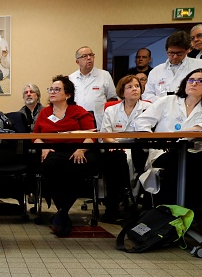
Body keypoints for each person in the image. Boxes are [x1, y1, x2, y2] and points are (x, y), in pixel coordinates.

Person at [136, 68, 202, 210]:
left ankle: (201, 213)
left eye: (200, 81)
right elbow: (141, 121)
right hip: (165, 152)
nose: (194, 83)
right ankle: (171, 211)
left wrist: (183, 132)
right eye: (191, 80)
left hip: (196, 152)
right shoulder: (167, 101)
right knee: (177, 161)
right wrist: (154, 139)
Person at [33, 75, 98, 237]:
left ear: (67, 94)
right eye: (51, 89)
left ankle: (62, 212)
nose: (52, 92)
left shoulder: (79, 111)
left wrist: (81, 149)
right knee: (50, 165)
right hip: (53, 151)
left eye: (57, 89)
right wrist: (44, 147)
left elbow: (92, 135)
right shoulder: (45, 112)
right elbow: (35, 136)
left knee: (78, 165)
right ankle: (64, 213)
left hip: (76, 150)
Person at [99, 75, 151, 223]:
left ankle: (129, 201)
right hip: (116, 146)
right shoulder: (112, 110)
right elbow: (105, 134)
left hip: (139, 146)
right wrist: (115, 145)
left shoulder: (149, 108)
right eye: (130, 87)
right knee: (116, 159)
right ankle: (119, 205)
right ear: (122, 92)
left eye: (137, 86)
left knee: (135, 158)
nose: (135, 89)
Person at [143, 31, 202, 103]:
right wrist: (164, 101)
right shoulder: (156, 71)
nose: (175, 56)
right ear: (167, 50)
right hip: (163, 111)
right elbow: (147, 95)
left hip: (193, 110)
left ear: (187, 50)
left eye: (179, 53)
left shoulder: (201, 65)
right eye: (171, 53)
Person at [69, 46, 117, 130]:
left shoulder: (104, 75)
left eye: (91, 55)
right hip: (76, 120)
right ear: (77, 61)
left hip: (99, 120)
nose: (89, 58)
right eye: (84, 56)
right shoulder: (71, 78)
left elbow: (112, 99)